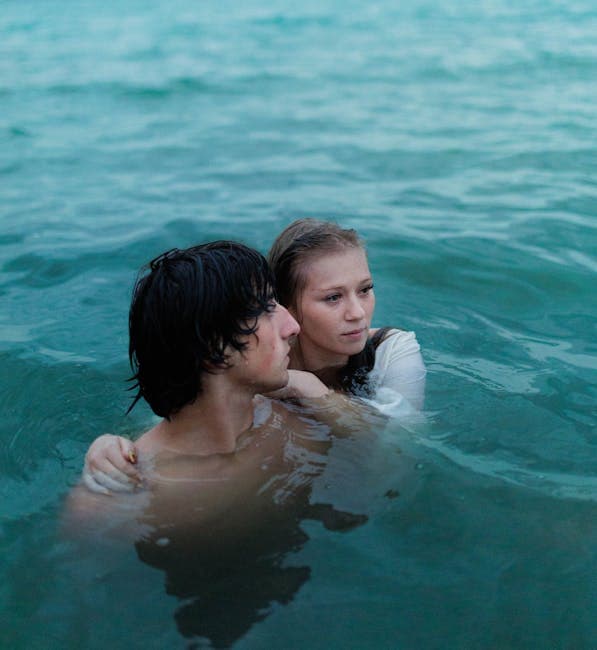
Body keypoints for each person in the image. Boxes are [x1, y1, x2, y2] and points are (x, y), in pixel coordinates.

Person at [83, 219, 426, 492]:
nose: (358, 313)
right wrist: (116, 446)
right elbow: (195, 411)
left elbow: (399, 443)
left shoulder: (390, 349)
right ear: (288, 306)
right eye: (332, 298)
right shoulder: (260, 359)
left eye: (365, 290)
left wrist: (305, 386)